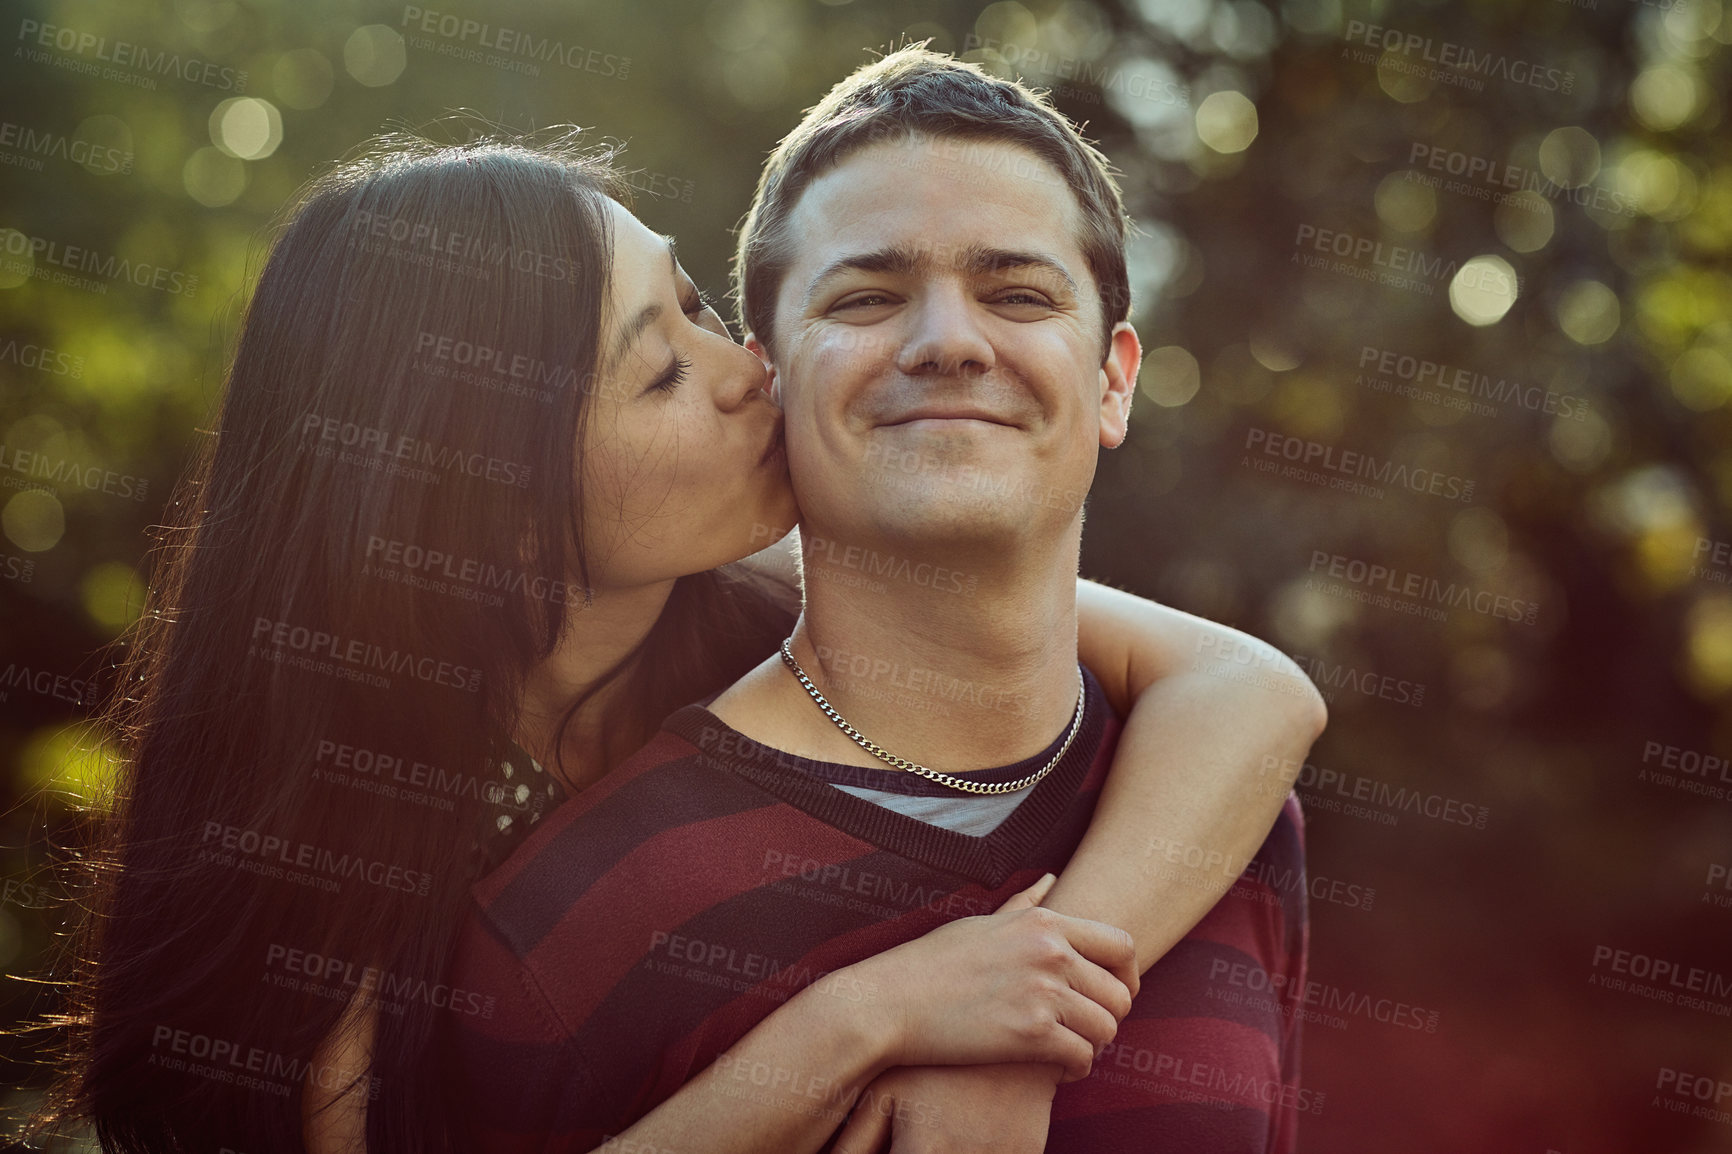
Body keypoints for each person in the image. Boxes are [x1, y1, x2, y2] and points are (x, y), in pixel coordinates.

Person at [29, 120, 1320, 1154]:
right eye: (663, 369)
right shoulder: (343, 941)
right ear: (499, 503)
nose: (752, 369)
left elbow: (1246, 686)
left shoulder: (778, 600)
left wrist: (1017, 1018)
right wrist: (854, 1024)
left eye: (700, 305)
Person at [446, 47, 1316, 1154]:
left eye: (1016, 292)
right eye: (866, 295)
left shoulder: (1227, 819)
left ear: (1113, 378)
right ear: (770, 378)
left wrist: (1020, 1030)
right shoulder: (561, 929)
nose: (948, 341)